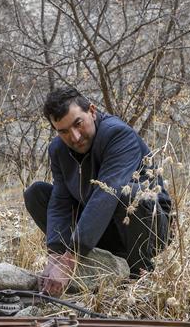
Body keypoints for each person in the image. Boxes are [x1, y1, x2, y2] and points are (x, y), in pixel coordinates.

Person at [24, 86, 172, 296]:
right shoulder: (58, 150)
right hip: (99, 230)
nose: (74, 137)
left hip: (147, 228)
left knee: (130, 194)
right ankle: (91, 262)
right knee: (36, 193)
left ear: (92, 111)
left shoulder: (118, 135)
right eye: (63, 131)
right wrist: (55, 256)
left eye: (78, 124)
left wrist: (70, 259)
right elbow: (60, 201)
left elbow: (107, 193)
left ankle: (138, 274)